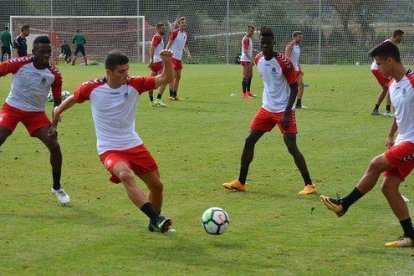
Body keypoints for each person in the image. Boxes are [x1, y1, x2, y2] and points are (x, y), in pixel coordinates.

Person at [53, 50, 174, 234]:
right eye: (121, 71)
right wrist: (58, 110)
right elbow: (74, 98)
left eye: (127, 70)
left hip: (134, 144)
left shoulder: (135, 84)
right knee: (125, 175)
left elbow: (165, 79)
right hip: (109, 149)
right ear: (108, 72)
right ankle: (156, 218)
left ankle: (154, 222)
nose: (126, 75)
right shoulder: (91, 88)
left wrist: (167, 61)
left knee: (157, 186)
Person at [321, 41, 414, 247]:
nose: (378, 69)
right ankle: (411, 235)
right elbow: (399, 115)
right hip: (403, 140)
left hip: (412, 143)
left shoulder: (412, 81)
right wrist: (391, 135)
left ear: (390, 60)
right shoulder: (392, 85)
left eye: (379, 64)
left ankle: (344, 204)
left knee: (375, 164)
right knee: (388, 187)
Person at [223, 27, 315, 196]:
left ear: (274, 43)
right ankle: (241, 182)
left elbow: (294, 89)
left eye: (268, 43)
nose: (265, 46)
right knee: (249, 140)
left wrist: (287, 113)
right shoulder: (258, 59)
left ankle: (309, 185)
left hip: (283, 110)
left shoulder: (284, 63)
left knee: (291, 147)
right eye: (262, 43)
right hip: (266, 108)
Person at [0, 36, 70, 204]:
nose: (45, 55)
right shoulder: (19, 63)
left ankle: (57, 187)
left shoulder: (54, 74)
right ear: (33, 52)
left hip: (35, 114)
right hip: (12, 109)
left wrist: (54, 126)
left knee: (55, 146)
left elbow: (58, 103)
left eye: (48, 52)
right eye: (41, 52)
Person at [371, 29, 404, 116]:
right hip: (378, 68)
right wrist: (379, 64)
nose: (402, 39)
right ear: (397, 36)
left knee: (386, 89)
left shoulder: (391, 44)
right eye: (401, 36)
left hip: (378, 68)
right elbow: (377, 53)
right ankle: (388, 111)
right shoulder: (388, 43)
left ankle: (375, 109)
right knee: (390, 86)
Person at [166, 17, 191, 100]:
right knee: (172, 76)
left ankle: (175, 95)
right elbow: (169, 43)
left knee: (178, 76)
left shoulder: (185, 34)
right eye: (182, 22)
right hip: (172, 56)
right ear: (179, 24)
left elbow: (185, 46)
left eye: (184, 22)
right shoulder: (175, 33)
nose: (184, 24)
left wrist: (188, 54)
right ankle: (171, 94)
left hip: (179, 58)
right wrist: (165, 52)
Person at [148, 23, 167, 107]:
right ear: (158, 29)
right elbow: (152, 47)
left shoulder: (158, 37)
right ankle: (158, 100)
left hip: (155, 61)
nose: (164, 29)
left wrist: (152, 60)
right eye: (163, 28)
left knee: (151, 81)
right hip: (158, 61)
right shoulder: (158, 37)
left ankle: (151, 100)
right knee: (164, 80)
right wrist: (151, 59)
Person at [285, 31, 305, 109]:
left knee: (301, 85)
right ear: (294, 37)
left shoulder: (297, 46)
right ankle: (287, 103)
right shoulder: (290, 46)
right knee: (291, 88)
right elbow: (287, 58)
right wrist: (290, 69)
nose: (301, 38)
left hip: (296, 69)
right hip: (291, 70)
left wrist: (300, 69)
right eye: (299, 37)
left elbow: (296, 60)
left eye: (301, 37)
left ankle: (298, 104)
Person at [240, 25, 256, 99]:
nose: (252, 32)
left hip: (248, 59)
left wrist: (252, 51)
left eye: (253, 31)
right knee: (246, 77)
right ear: (247, 31)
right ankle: (244, 94)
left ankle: (248, 92)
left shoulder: (249, 39)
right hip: (246, 59)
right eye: (250, 31)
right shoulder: (246, 39)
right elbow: (245, 51)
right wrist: (251, 59)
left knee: (250, 76)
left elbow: (248, 49)